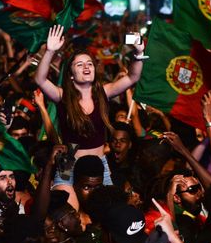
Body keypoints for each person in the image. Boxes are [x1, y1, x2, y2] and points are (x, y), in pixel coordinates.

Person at [35, 24, 145, 182]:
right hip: (69, 162)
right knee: (64, 205)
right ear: (71, 75)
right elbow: (40, 79)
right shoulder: (62, 95)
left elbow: (132, 77)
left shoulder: (104, 92)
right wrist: (50, 51)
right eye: (79, 65)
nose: (86, 66)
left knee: (105, 205)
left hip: (99, 162)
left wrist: (138, 53)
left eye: (89, 64)